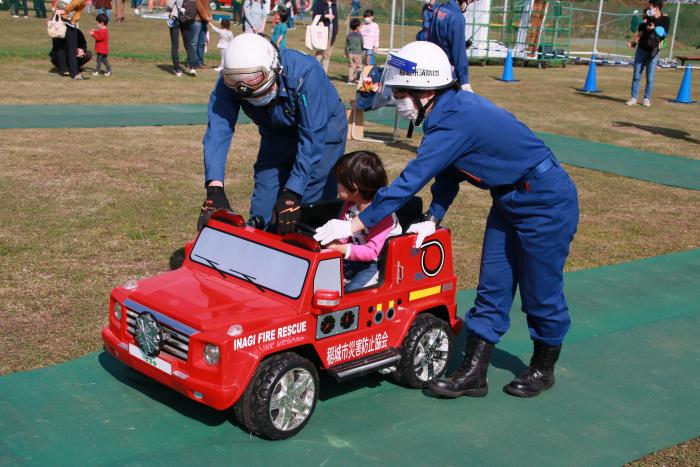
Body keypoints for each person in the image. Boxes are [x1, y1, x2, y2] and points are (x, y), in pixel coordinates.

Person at [314, 41, 579, 399]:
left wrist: (354, 225)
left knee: (539, 291)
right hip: (508, 199)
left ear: (426, 90)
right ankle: (474, 373)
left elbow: (411, 180)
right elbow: (450, 172)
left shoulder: (456, 119)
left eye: (402, 92)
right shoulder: (446, 113)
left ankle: (542, 367)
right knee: (492, 285)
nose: (398, 100)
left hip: (545, 200)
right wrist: (434, 215)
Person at [199, 33, 348, 233]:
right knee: (263, 207)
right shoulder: (232, 77)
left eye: (260, 90)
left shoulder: (307, 72)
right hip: (275, 133)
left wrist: (292, 192)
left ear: (275, 70)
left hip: (323, 131)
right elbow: (218, 130)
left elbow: (312, 137)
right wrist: (214, 188)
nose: (256, 98)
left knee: (307, 210)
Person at [326, 151, 402, 291]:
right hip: (352, 259)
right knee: (325, 282)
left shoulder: (383, 215)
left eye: (340, 182)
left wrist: (340, 248)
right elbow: (343, 233)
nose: (337, 184)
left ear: (354, 188)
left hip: (375, 265)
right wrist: (332, 243)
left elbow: (371, 252)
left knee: (351, 294)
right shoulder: (350, 205)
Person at [626, 0, 670, 107]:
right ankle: (633, 98)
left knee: (650, 77)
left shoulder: (665, 19)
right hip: (641, 49)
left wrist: (655, 29)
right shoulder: (647, 18)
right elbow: (640, 32)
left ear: (656, 8)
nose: (649, 9)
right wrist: (634, 43)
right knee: (637, 75)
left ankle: (646, 98)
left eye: (650, 7)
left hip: (653, 52)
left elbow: (664, 34)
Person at [428, 0, 472, 92]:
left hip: (433, 68)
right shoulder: (457, 17)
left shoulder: (439, 10)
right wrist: (464, 81)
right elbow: (459, 53)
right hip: (449, 74)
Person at [59, 0, 88, 79]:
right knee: (72, 48)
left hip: (62, 19)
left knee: (62, 45)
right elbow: (74, 4)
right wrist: (66, 11)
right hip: (69, 21)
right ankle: (75, 73)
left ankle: (63, 69)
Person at [167, 0, 197, 76]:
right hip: (186, 19)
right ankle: (193, 68)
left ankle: (177, 70)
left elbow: (169, 5)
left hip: (175, 18)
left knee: (175, 45)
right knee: (188, 45)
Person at [312, 0, 338, 73]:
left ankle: (324, 74)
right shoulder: (320, 3)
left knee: (327, 55)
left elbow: (336, 20)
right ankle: (314, 71)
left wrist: (335, 33)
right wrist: (325, 16)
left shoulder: (334, 5)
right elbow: (315, 17)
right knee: (319, 54)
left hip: (331, 32)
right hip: (322, 33)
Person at [191, 0, 212, 68]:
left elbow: (206, 6)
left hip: (204, 21)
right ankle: (191, 62)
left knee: (202, 43)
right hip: (197, 20)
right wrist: (205, 16)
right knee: (194, 43)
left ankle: (200, 62)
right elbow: (198, 4)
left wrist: (209, 15)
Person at [345, 17, 363, 84]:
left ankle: (350, 80)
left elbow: (346, 45)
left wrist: (346, 53)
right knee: (359, 66)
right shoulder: (360, 35)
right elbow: (362, 43)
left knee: (351, 66)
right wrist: (362, 49)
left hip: (350, 53)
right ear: (358, 27)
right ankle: (358, 79)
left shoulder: (349, 35)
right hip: (357, 53)